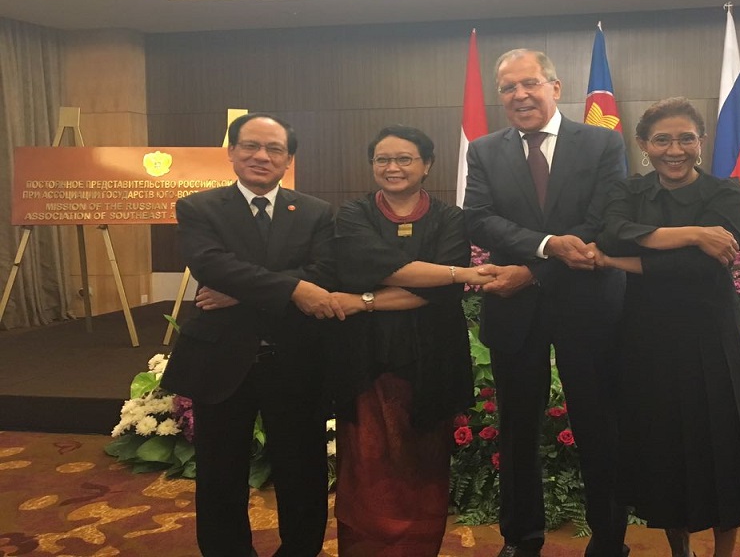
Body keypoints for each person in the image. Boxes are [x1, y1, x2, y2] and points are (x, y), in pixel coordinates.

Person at [463, 49, 629, 557]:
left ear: (556, 87)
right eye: (509, 88)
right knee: (516, 429)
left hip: (588, 305)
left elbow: (604, 219)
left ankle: (607, 540)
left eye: (530, 83)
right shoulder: (486, 150)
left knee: (599, 424)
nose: (520, 95)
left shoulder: (602, 142)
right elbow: (479, 218)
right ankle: (520, 538)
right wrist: (548, 247)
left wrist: (535, 268)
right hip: (514, 314)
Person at [162, 113, 344, 557]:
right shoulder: (198, 207)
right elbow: (211, 265)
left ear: (288, 160)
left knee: (302, 469)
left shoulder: (317, 212)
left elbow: (325, 272)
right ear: (231, 153)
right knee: (220, 471)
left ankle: (300, 549)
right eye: (250, 146)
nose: (261, 156)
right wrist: (293, 287)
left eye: (274, 149)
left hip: (296, 359)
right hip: (222, 360)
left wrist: (242, 293)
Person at [592, 97, 740, 557]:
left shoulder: (725, 192)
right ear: (644, 145)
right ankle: (680, 551)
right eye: (662, 139)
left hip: (713, 339)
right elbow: (610, 231)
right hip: (648, 340)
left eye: (686, 138)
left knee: (723, 448)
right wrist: (694, 234)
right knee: (665, 446)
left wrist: (620, 260)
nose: (675, 149)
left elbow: (704, 269)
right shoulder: (629, 191)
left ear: (701, 142)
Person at [324, 125, 495, 556]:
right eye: (383, 159)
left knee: (424, 462)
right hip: (365, 361)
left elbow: (435, 292)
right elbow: (371, 265)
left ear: (427, 165)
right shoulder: (352, 213)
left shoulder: (451, 217)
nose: (393, 167)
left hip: (430, 361)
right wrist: (456, 273)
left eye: (405, 159)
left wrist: (362, 299)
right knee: (364, 462)